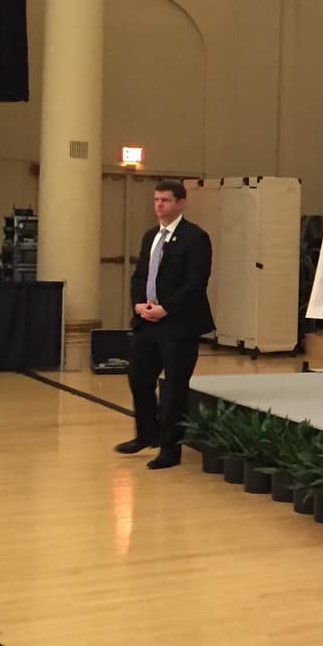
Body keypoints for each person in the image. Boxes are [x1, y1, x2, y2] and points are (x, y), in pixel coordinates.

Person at [114, 179, 214, 469]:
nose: (159, 205)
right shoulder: (151, 236)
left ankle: (171, 449)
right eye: (156, 200)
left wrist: (166, 308)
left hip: (178, 324)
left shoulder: (195, 237)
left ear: (180, 203)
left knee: (174, 387)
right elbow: (140, 275)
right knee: (139, 378)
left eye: (165, 200)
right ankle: (146, 434)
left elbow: (196, 283)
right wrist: (138, 303)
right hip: (148, 321)